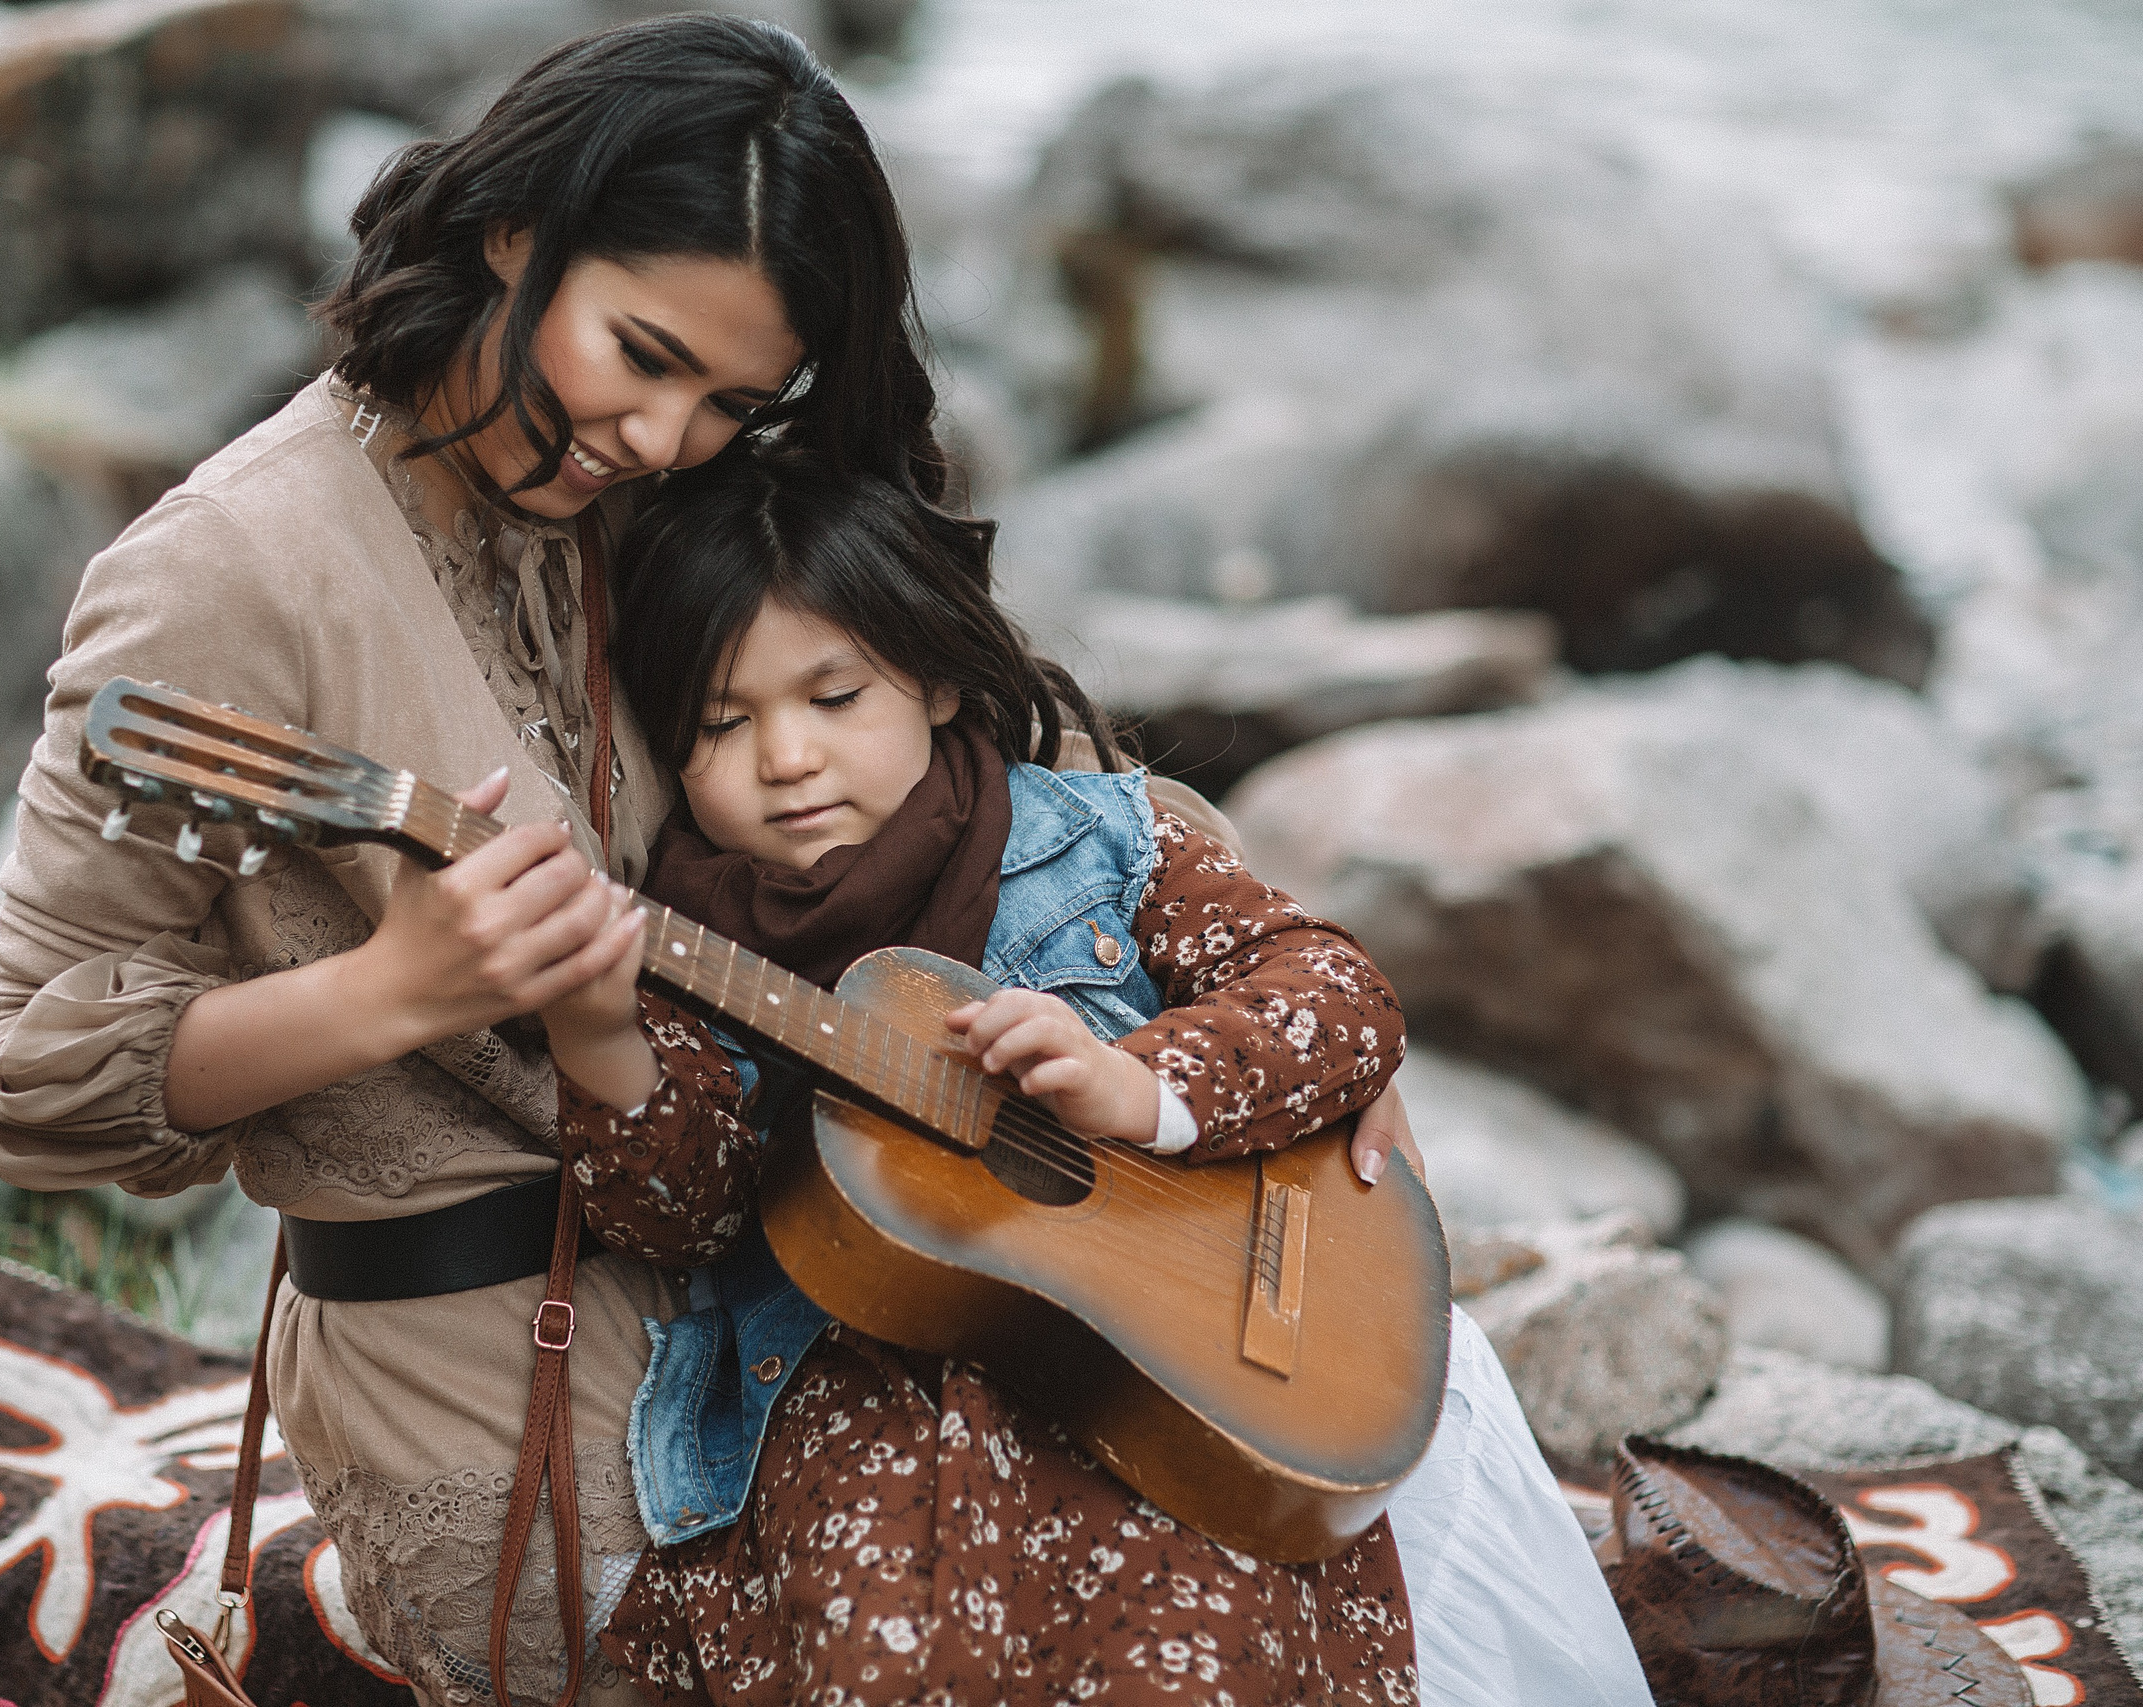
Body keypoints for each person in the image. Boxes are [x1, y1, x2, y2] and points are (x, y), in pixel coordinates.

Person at [0, 14, 1431, 1705]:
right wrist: (396, 991)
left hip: (879, 1281)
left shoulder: (665, 490)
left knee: (1260, 1532)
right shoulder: (228, 574)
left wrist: (1256, 1060)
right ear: (514, 228)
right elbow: (26, 1082)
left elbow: (1024, 778)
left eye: (733, 399)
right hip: (507, 1365)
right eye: (641, 355)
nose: (662, 437)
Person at [528, 445, 1653, 1707]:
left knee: (1188, 1635)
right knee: (887, 1648)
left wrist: (1138, 1084)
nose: (785, 756)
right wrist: (597, 1035)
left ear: (935, 681)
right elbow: (678, 1216)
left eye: (833, 697)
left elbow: (1335, 992)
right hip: (863, 1402)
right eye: (720, 724)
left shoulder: (1103, 839)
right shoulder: (682, 947)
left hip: (1166, 1360)